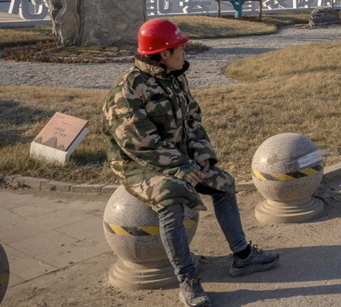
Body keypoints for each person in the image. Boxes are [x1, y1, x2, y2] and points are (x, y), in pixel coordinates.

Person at [103, 18, 279, 307]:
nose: (184, 52)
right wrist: (182, 168)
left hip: (179, 157)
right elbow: (140, 142)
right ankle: (187, 279)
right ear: (162, 54)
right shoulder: (128, 90)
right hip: (138, 163)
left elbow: (193, 119)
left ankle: (243, 256)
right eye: (178, 48)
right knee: (171, 197)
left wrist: (201, 156)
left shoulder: (176, 77)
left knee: (223, 182)